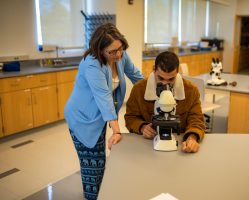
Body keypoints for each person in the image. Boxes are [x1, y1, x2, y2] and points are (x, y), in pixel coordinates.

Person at [64, 23, 143, 200]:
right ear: (100, 50)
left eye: (120, 49)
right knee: (93, 167)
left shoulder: (120, 55)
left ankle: (100, 194)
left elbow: (137, 77)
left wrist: (156, 91)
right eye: (112, 52)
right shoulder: (92, 64)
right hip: (83, 118)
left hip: (99, 117)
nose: (118, 54)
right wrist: (116, 129)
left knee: (100, 163)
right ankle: (93, 196)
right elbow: (104, 97)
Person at [125, 51, 205, 153]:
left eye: (171, 79)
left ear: (177, 72)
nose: (165, 84)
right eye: (161, 78)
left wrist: (192, 137)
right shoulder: (139, 89)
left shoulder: (191, 90)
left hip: (180, 142)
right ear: (154, 69)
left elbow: (197, 119)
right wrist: (142, 127)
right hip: (147, 147)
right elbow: (130, 117)